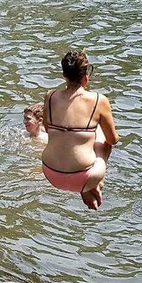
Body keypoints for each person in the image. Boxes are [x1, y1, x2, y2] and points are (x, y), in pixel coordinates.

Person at [41, 50, 118, 210]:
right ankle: (92, 186)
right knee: (103, 138)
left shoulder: (50, 96)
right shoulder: (99, 100)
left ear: (64, 75)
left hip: (50, 172)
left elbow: (48, 130)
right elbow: (112, 140)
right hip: (84, 176)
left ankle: (87, 187)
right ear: (86, 76)